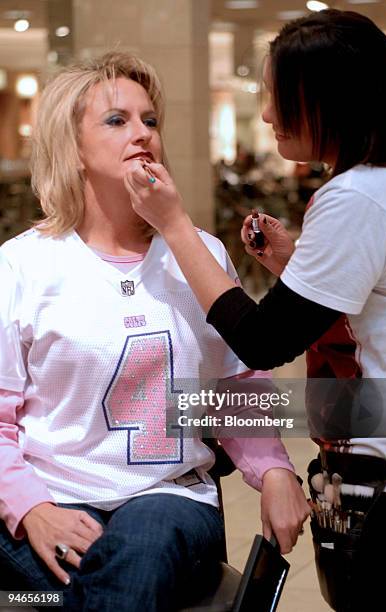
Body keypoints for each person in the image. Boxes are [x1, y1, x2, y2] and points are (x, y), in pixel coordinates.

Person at [125, 9, 386, 612]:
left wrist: (175, 226)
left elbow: (259, 346)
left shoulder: (358, 195)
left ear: (325, 100)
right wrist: (297, 268)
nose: (264, 114)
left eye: (275, 95)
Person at [0, 52, 310, 612]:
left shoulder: (199, 253)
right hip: (55, 498)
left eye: (150, 120)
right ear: (71, 147)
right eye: (117, 120)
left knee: (142, 541)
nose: (142, 133)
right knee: (102, 577)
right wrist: (32, 509)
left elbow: (236, 387)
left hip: (172, 501)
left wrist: (276, 473)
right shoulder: (22, 266)